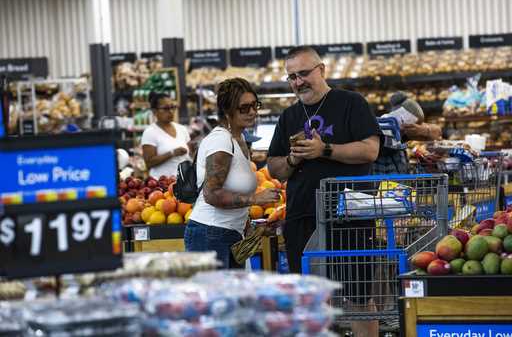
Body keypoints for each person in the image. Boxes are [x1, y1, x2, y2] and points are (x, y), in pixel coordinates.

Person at [266, 46, 381, 337]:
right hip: (303, 215)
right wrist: (294, 158)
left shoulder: (350, 103)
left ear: (322, 70)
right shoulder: (289, 116)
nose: (298, 82)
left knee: (358, 298)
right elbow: (274, 168)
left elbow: (370, 150)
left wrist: (324, 149)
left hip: (351, 216)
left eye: (303, 73)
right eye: (291, 77)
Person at [184, 78, 280, 269]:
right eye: (244, 107)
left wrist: (251, 225)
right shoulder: (221, 141)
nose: (252, 112)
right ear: (227, 110)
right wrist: (254, 198)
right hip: (210, 234)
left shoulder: (240, 138)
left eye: (255, 105)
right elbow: (212, 194)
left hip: (229, 233)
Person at [373, 91, 442, 175]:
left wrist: (422, 130)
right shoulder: (379, 129)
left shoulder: (408, 130)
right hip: (381, 178)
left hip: (397, 179)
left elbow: (437, 131)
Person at [141, 92, 191, 178]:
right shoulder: (150, 132)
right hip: (161, 185)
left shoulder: (182, 129)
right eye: (166, 108)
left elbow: (189, 154)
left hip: (184, 183)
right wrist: (172, 153)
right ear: (154, 111)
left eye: (173, 107)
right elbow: (149, 163)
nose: (171, 111)